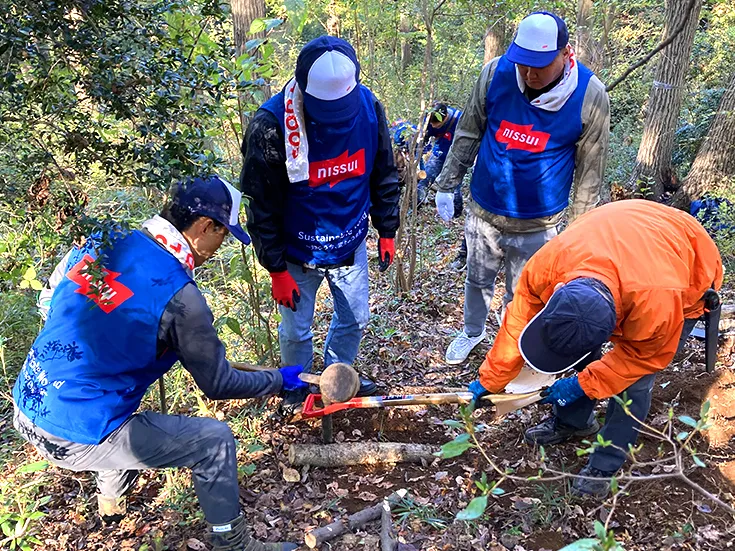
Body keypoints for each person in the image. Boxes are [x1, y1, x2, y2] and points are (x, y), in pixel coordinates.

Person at [12, 176, 304, 551]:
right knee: (213, 441)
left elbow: (50, 298)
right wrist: (278, 380)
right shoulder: (181, 299)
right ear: (203, 227)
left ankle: (111, 504)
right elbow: (218, 385)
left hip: (27, 403)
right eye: (223, 235)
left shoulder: (104, 239)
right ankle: (233, 544)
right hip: (71, 434)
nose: (220, 246)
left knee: (114, 396)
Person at [468, 200, 723, 497]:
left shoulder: (658, 305)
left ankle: (606, 462)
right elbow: (517, 323)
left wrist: (583, 384)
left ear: (614, 326)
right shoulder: (549, 263)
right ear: (557, 293)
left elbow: (641, 359)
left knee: (633, 386)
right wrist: (490, 381)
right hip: (623, 233)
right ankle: (574, 423)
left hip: (688, 261)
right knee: (579, 351)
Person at [435, 12, 610, 365]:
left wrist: (577, 236)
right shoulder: (495, 74)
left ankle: (511, 342)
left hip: (539, 225)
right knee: (477, 279)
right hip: (484, 212)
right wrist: (447, 182)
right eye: (524, 64)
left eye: (539, 66)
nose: (529, 74)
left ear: (565, 54)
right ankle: (472, 332)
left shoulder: (589, 96)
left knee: (524, 294)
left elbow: (589, 174)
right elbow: (469, 129)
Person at [240, 36, 401, 407]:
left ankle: (338, 377)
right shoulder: (271, 126)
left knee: (355, 318)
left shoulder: (368, 106)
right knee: (295, 329)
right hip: (296, 251)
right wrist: (275, 268)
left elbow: (383, 170)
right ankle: (296, 388)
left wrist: (387, 229)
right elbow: (260, 204)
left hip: (351, 239)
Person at [418, 103, 463, 213]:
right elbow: (423, 137)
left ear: (446, 117)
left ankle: (456, 212)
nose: (433, 126)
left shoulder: (460, 119)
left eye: (437, 124)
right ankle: (416, 206)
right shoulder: (428, 118)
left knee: (454, 186)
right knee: (425, 179)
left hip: (456, 157)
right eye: (432, 124)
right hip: (439, 153)